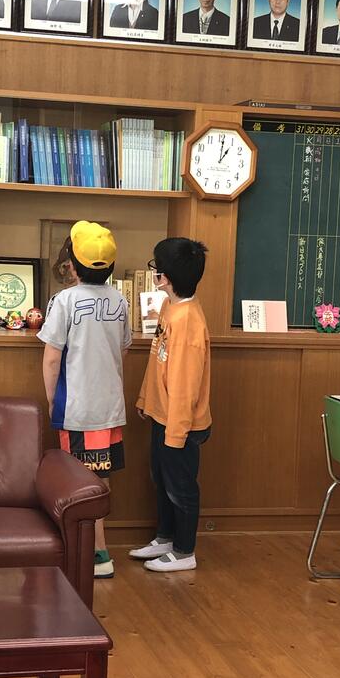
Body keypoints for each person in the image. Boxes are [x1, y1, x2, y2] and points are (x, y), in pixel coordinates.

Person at [38, 221, 131, 579]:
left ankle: (96, 555)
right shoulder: (120, 300)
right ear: (111, 266)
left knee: (82, 483)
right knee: (101, 479)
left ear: (72, 265)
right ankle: (94, 551)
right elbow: (123, 350)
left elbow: (51, 358)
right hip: (110, 408)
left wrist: (51, 400)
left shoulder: (64, 301)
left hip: (77, 408)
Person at [131, 238, 212, 573]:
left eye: (155, 266)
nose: (153, 271)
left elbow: (185, 387)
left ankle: (184, 551)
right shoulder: (169, 307)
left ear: (163, 277)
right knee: (162, 481)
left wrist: (176, 433)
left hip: (180, 424)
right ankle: (165, 538)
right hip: (162, 415)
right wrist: (145, 399)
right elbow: (157, 362)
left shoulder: (189, 321)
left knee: (181, 488)